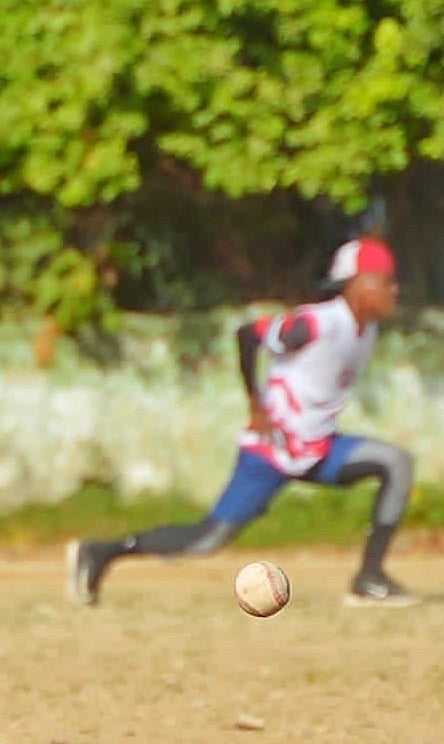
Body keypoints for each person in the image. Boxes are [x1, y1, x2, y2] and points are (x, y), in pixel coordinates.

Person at [66, 238, 421, 610]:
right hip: (271, 450)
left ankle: (369, 579)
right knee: (208, 539)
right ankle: (101, 552)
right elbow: (249, 335)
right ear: (356, 284)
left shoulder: (366, 329)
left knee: (396, 461)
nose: (393, 289)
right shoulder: (317, 323)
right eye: (384, 280)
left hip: (318, 447)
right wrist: (256, 404)